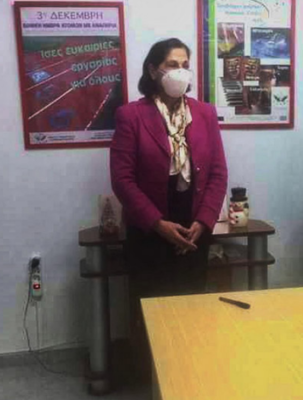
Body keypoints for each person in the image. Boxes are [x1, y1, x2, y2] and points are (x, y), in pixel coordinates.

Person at [109, 38, 228, 377]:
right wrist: (158, 224)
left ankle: (187, 377)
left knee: (191, 306)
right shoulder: (131, 115)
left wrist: (204, 221)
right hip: (150, 229)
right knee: (152, 311)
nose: (180, 72)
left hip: (194, 227)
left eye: (185, 65)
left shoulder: (204, 113)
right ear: (153, 70)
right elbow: (122, 180)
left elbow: (218, 172)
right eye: (172, 65)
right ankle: (153, 380)